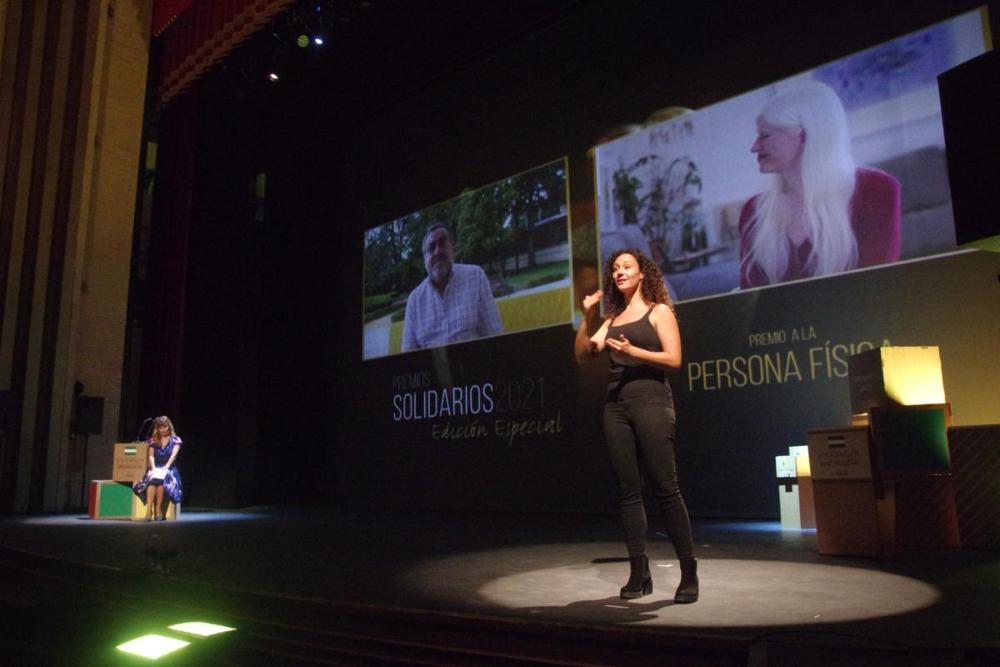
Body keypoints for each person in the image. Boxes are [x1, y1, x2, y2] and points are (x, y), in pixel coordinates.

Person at [574, 249, 698, 602]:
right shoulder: (611, 318)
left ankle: (688, 571)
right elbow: (584, 354)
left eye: (626, 266)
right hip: (616, 407)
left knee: (665, 487)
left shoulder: (659, 311)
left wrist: (636, 353)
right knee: (629, 492)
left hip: (652, 402)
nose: (619, 272)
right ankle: (638, 572)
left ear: (643, 273)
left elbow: (674, 359)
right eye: (614, 268)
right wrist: (586, 317)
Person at [739, 82, 901, 288]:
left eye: (765, 135)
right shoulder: (753, 211)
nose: (754, 147)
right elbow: (750, 300)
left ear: (805, 134)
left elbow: (878, 288)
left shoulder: (877, 190)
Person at [401, 223, 504, 351]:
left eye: (442, 243)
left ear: (452, 248)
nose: (437, 251)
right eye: (431, 247)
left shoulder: (475, 276)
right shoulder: (414, 300)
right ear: (424, 258)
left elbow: (494, 334)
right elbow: (408, 354)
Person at [132, 415, 183, 521]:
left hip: (169, 468)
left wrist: (167, 466)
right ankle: (148, 511)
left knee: (161, 481)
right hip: (156, 467)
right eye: (160, 427)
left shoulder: (175, 440)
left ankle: (158, 509)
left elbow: (174, 455)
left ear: (169, 427)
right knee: (152, 481)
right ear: (157, 428)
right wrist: (153, 466)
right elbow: (151, 456)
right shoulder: (153, 441)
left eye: (165, 427)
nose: (163, 429)